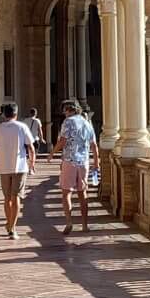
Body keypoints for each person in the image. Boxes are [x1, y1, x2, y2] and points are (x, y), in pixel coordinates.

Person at [0, 100, 36, 239]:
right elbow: (31, 147)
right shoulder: (22, 127)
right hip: (20, 166)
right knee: (16, 198)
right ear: (16, 113)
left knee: (7, 198)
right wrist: (32, 162)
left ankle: (9, 222)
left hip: (4, 167)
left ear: (4, 114)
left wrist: (2, 152)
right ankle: (12, 228)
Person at [53, 100, 97, 236]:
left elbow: (63, 140)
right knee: (82, 193)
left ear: (67, 110)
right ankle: (84, 225)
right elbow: (94, 144)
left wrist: (52, 152)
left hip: (69, 160)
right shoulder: (86, 122)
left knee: (66, 192)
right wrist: (96, 162)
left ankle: (69, 222)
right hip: (83, 161)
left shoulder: (68, 122)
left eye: (64, 111)